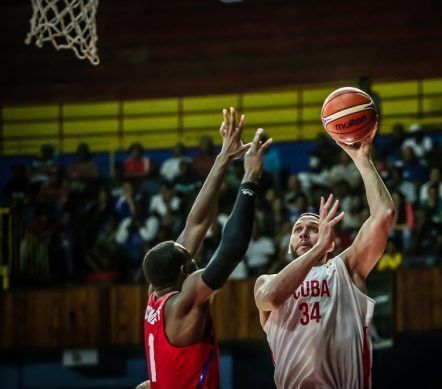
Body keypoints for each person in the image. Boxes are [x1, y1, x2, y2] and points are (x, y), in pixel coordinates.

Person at [136, 108, 272, 389]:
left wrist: (223, 158)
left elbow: (195, 224)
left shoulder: (156, 296)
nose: (192, 252)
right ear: (185, 270)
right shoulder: (183, 305)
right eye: (189, 257)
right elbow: (231, 251)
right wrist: (249, 179)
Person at [254, 126, 395, 389]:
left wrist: (362, 161)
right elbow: (268, 298)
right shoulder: (267, 280)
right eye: (298, 230)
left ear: (329, 242)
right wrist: (319, 247)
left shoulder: (346, 268)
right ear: (289, 244)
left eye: (313, 228)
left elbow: (384, 215)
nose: (305, 232)